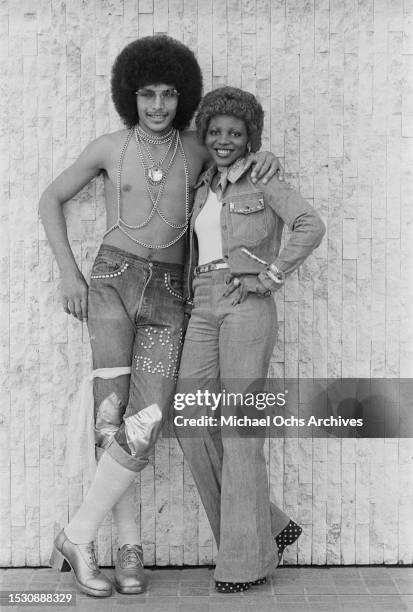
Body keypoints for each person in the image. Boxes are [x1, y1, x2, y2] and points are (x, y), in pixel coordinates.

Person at [39, 36, 282, 598]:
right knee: (110, 417)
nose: (156, 105)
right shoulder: (107, 147)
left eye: (168, 94)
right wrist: (68, 274)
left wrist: (267, 157)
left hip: (172, 295)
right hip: (111, 285)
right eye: (146, 94)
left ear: (182, 96)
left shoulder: (199, 149)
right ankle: (126, 551)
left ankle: (76, 534)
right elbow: (50, 198)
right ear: (130, 95)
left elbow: (241, 160)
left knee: (145, 421)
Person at [174, 86, 326, 593]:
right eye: (215, 131)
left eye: (235, 133)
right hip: (203, 303)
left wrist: (272, 276)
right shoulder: (203, 185)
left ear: (249, 139)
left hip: (246, 303)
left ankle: (243, 563)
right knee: (190, 417)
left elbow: (309, 223)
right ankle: (270, 528)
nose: (223, 140)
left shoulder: (264, 178)